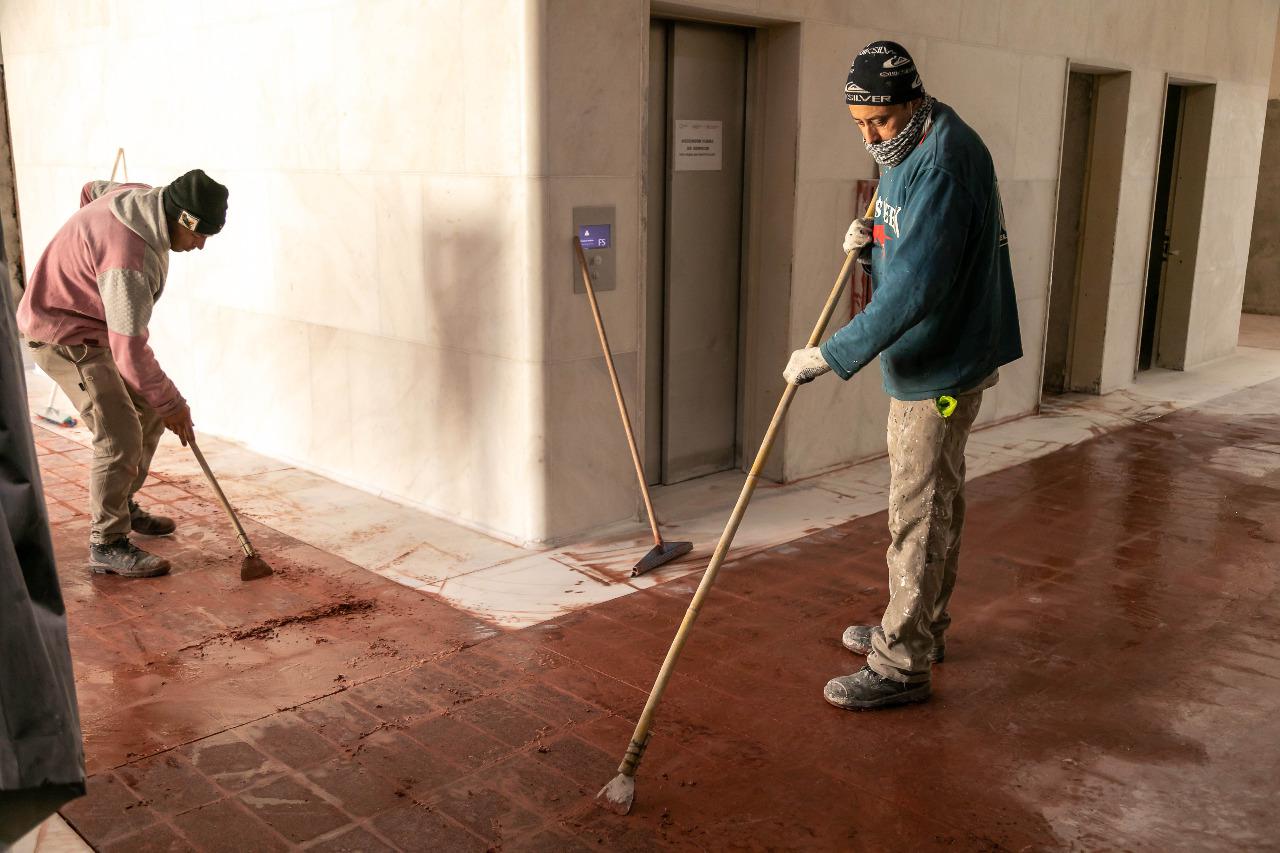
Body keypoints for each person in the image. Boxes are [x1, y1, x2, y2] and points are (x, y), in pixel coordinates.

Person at [783, 41, 1022, 710]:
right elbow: (910, 246)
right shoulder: (906, 144)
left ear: (913, 101)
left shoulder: (942, 161)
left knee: (918, 510)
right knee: (933, 499)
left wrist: (831, 354)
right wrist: (871, 245)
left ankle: (901, 665)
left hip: (941, 367)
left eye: (879, 121)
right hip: (928, 355)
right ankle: (918, 628)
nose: (870, 137)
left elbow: (917, 287)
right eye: (859, 123)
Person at [17, 170, 229, 578]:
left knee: (148, 412)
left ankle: (121, 504)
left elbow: (91, 190)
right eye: (200, 235)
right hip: (62, 333)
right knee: (119, 435)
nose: (200, 245)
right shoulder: (129, 263)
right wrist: (174, 404)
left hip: (93, 327)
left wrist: (85, 249)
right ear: (183, 219)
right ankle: (107, 543)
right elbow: (129, 350)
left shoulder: (139, 196)